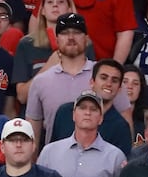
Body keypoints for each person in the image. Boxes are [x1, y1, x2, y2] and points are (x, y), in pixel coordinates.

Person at [25, 11, 131, 147]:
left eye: (76, 32)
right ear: (56, 40)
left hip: (103, 161)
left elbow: (126, 122)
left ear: (86, 39)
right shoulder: (40, 81)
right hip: (56, 161)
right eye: (64, 33)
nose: (70, 37)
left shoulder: (106, 76)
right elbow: (33, 131)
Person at [49, 58, 133, 154]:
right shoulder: (64, 113)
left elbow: (120, 165)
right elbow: (53, 151)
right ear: (92, 82)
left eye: (114, 80)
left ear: (119, 89)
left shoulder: (121, 127)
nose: (108, 84)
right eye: (103, 78)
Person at [12, 0, 75, 109]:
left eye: (61, 2)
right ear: (43, 11)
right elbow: (22, 96)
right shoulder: (26, 44)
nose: (55, 5)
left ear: (69, 9)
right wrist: (49, 66)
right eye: (50, 2)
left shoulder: (83, 44)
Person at [122, 63, 148, 143]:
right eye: (125, 82)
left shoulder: (147, 122)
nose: (130, 86)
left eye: (135, 83)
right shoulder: (105, 118)